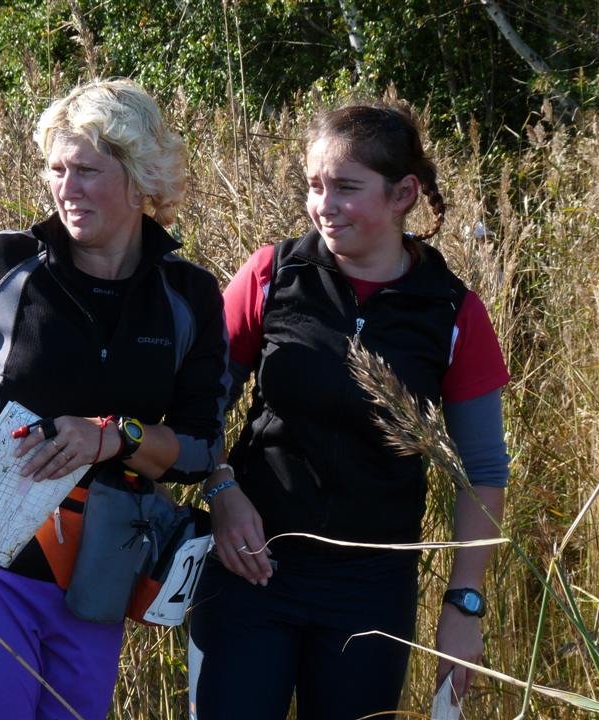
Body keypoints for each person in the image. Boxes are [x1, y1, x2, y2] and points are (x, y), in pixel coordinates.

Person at [0, 79, 229, 720]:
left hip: (96, 572)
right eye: (56, 169)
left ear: (141, 179)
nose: (66, 188)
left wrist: (113, 436)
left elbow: (199, 449)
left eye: (87, 170)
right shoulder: (5, 261)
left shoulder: (188, 294)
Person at [188, 102, 510, 719]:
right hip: (249, 568)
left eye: (346, 187)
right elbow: (198, 406)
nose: (324, 205)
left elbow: (484, 470)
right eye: (315, 185)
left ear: (403, 194)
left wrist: (464, 602)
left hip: (371, 593)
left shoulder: (452, 312)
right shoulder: (271, 275)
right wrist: (222, 490)